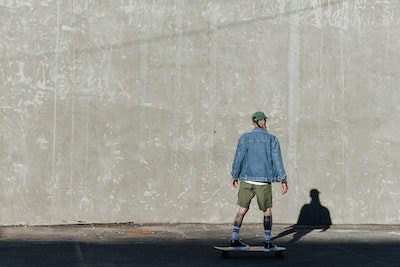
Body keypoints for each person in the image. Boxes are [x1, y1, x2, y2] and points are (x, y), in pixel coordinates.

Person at [229, 111, 288, 252]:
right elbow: (277, 160)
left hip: (247, 180)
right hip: (263, 181)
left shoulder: (245, 138)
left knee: (242, 210)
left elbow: (239, 158)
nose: (265, 123)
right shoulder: (272, 139)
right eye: (264, 121)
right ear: (262, 121)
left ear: (253, 122)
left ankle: (234, 239)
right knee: (267, 211)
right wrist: (283, 180)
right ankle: (267, 242)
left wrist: (234, 175)